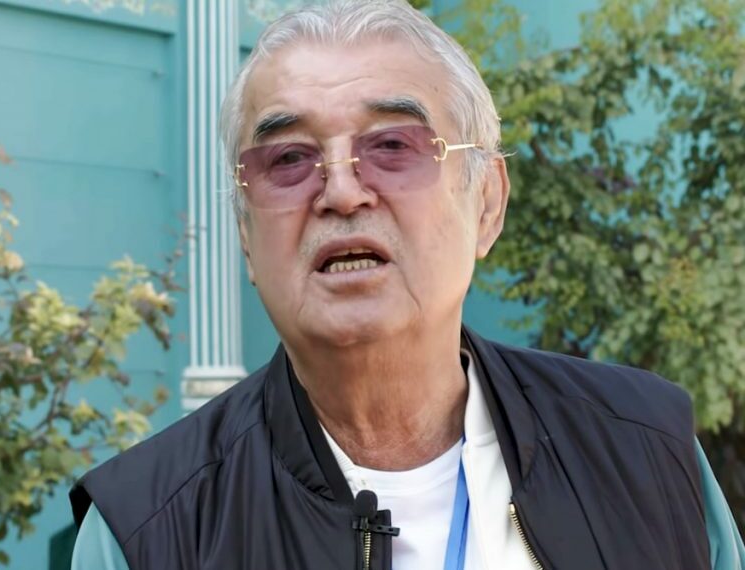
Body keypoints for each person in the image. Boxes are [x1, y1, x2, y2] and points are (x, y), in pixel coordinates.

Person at [69, 1, 745, 568]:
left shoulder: (645, 451)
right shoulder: (148, 531)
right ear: (247, 234)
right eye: (289, 158)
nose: (341, 192)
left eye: (393, 146)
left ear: (487, 203)